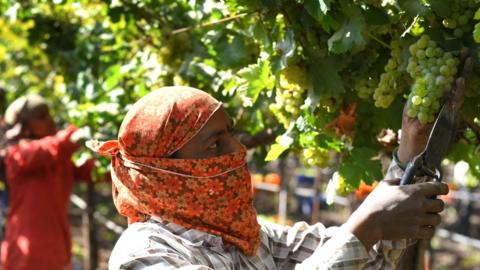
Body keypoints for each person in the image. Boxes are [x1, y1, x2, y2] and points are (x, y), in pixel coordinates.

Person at [88, 86, 448, 269]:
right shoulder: (146, 255)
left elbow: (356, 257)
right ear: (164, 174)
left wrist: (409, 155)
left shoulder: (245, 238)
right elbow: (360, 238)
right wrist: (368, 226)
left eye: (231, 132)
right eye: (215, 144)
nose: (238, 150)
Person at [0, 94, 94, 270]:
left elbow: (93, 172)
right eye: (42, 117)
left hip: (59, 252)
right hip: (26, 257)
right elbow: (53, 147)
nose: (51, 120)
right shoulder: (18, 155)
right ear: (25, 128)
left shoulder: (61, 159)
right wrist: (80, 130)